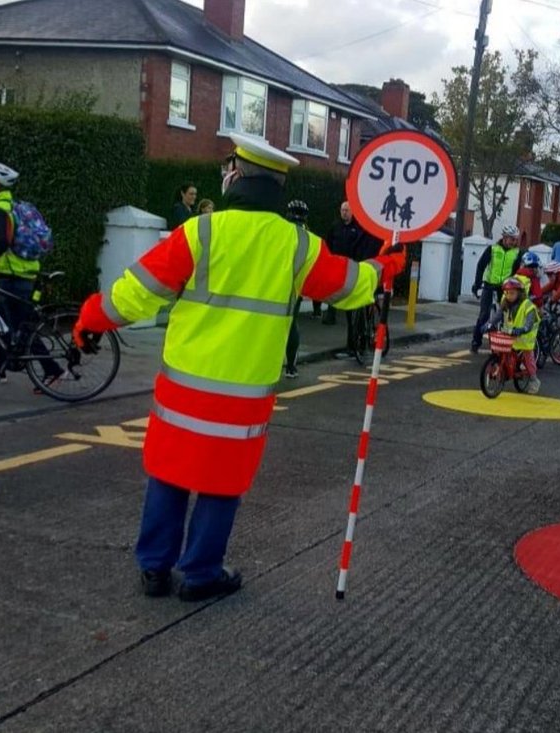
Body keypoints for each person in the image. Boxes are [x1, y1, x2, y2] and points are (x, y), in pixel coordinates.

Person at [71, 134, 406, 601]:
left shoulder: (200, 232)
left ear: (236, 176)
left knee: (168, 473)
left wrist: (90, 319)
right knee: (222, 484)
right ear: (276, 186)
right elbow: (347, 286)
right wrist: (383, 268)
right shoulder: (297, 244)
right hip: (243, 397)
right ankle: (201, 574)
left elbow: (136, 292)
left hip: (183, 389)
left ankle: (154, 569)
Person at [0, 162, 64, 387]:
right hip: (20, 274)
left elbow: (2, 243)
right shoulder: (12, 206)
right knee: (4, 326)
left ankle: (53, 370)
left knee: (22, 330)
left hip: (15, 278)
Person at [323, 201, 379, 326]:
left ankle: (352, 317)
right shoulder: (335, 226)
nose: (344, 213)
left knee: (351, 289)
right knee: (333, 289)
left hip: (351, 264)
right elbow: (329, 242)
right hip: (336, 263)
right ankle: (331, 315)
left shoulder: (358, 228)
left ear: (352, 212)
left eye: (347, 210)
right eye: (342, 210)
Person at [470, 225, 522, 352]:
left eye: (516, 239)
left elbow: (517, 272)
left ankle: (504, 342)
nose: (514, 242)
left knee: (506, 315)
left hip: (505, 287)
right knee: (484, 314)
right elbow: (481, 265)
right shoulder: (492, 249)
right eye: (512, 239)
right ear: (504, 237)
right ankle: (476, 342)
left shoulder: (517, 253)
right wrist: (477, 284)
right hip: (489, 285)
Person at [486, 277, 541, 394]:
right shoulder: (505, 302)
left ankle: (533, 379)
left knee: (528, 357)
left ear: (519, 293)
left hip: (525, 337)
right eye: (507, 293)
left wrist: (523, 329)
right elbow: (498, 315)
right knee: (499, 350)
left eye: (512, 293)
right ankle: (503, 368)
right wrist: (489, 324)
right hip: (511, 333)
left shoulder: (528, 305)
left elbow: (529, 323)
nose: (509, 296)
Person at [282, 199, 308, 379]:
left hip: (276, 283)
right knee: (291, 324)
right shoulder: (307, 236)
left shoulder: (281, 232)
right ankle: (291, 366)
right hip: (297, 286)